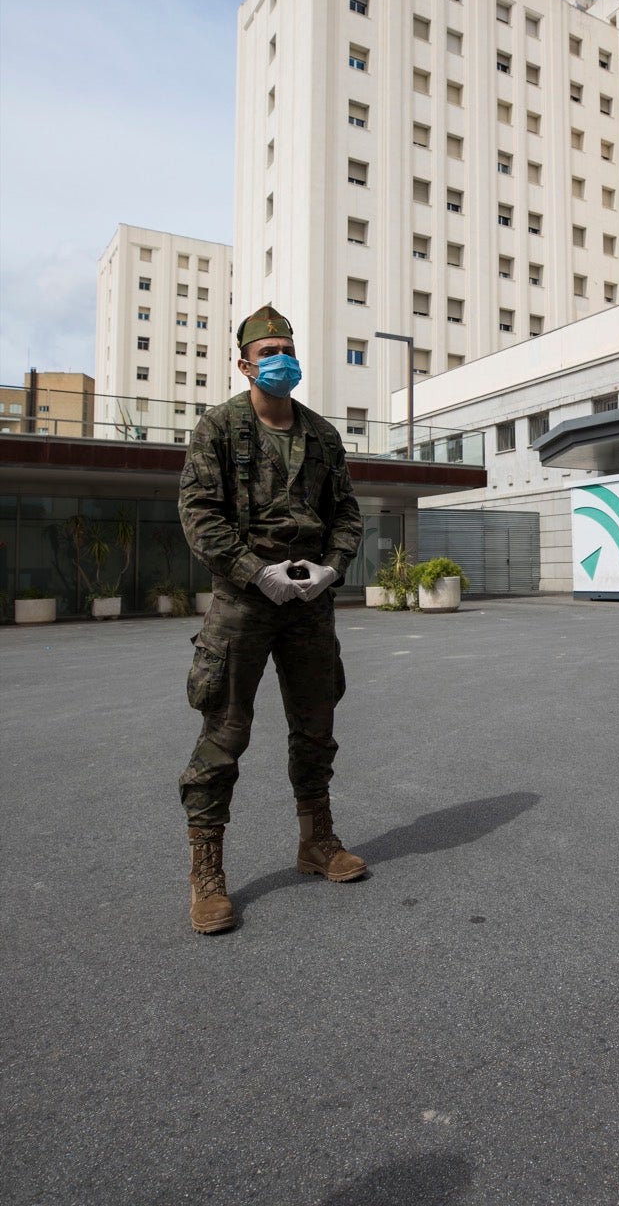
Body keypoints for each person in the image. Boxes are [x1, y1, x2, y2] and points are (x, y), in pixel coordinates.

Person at [178, 304, 366, 935]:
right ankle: (208, 873)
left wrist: (331, 569)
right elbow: (201, 514)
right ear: (244, 364)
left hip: (309, 602)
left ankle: (317, 842)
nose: (280, 360)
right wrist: (256, 572)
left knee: (316, 726)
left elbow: (346, 514)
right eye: (267, 353)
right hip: (243, 601)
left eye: (287, 348)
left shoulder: (322, 435)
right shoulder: (218, 428)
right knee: (224, 733)